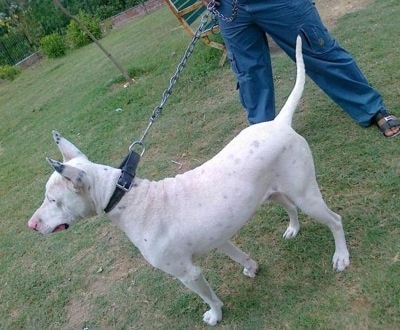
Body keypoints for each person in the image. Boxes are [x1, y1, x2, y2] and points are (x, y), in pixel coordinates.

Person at [203, 0, 400, 137]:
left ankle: (371, 108)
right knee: (247, 71)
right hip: (228, 6)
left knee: (319, 51)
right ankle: (263, 135)